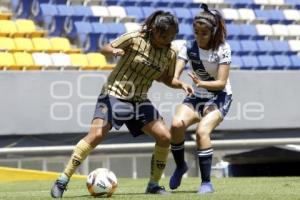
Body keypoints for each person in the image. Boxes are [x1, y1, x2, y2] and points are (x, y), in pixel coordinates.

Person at [50, 10, 193, 198]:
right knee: (97, 134)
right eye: (164, 35)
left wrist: (180, 84)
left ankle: (153, 185)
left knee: (165, 137)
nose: (167, 39)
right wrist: (113, 50)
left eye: (172, 36)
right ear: (153, 29)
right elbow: (104, 48)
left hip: (139, 100)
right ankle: (62, 180)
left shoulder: (171, 52)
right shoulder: (135, 37)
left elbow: (164, 78)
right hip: (114, 94)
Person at [168, 4, 233, 194]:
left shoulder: (223, 48)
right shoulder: (188, 47)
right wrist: (180, 83)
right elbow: (175, 77)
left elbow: (221, 83)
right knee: (176, 125)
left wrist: (202, 83)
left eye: (203, 33)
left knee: (201, 131)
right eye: (196, 32)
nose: (199, 36)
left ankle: (206, 183)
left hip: (219, 97)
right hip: (196, 96)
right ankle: (181, 166)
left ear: (213, 32)